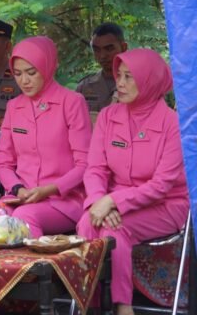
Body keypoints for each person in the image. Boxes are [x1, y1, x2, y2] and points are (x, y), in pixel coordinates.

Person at [77, 49, 188, 315]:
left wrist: (112, 201)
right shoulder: (107, 116)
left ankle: (122, 307)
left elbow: (161, 185)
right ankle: (88, 303)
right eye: (119, 76)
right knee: (85, 222)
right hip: (113, 202)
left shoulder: (173, 123)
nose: (120, 83)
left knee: (116, 231)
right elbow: (95, 169)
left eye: (129, 77)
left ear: (148, 80)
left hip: (166, 205)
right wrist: (96, 201)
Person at [0, 36, 91, 237]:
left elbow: (85, 164)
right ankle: (5, 270)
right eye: (17, 74)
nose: (24, 81)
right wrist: (18, 189)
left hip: (63, 200)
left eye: (31, 73)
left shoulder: (71, 103)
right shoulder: (14, 107)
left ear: (47, 67)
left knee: (26, 217)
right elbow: (4, 163)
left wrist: (48, 190)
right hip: (22, 196)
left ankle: (35, 269)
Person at [76, 23, 128, 115]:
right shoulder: (84, 87)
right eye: (97, 50)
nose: (102, 56)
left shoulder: (137, 84)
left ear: (123, 47)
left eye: (109, 49)